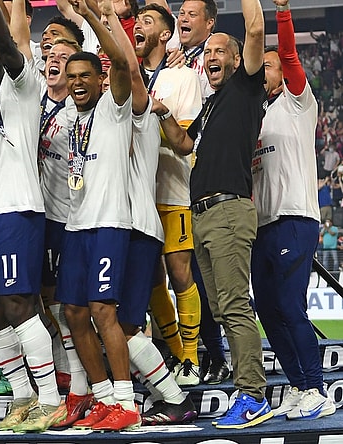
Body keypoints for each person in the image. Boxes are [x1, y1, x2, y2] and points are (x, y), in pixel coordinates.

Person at [152, 0, 272, 429]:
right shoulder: (212, 102)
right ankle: (247, 387)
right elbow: (185, 145)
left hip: (227, 210)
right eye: (208, 54)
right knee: (221, 310)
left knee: (235, 308)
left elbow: (255, 29)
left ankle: (253, 395)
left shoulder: (244, 88)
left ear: (239, 60)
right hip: (201, 214)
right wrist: (164, 114)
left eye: (220, 50)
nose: (212, 57)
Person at [0, 0, 66, 433]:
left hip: (18, 212)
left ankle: (50, 399)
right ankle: (22, 395)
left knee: (20, 305)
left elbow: (9, 46)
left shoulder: (22, 86)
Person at [55, 0, 140, 432]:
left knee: (102, 311)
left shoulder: (114, 106)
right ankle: (102, 396)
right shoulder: (71, 117)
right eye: (71, 78)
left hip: (108, 224)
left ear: (99, 79)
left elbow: (124, 64)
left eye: (84, 76)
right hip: (76, 225)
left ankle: (126, 401)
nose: (76, 84)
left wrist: (91, 17)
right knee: (71, 311)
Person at [252, 0, 336, 421]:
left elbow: (287, 54)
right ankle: (301, 386)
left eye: (267, 66)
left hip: (295, 219)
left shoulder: (298, 103)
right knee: (268, 311)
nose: (263, 71)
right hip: (263, 226)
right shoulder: (257, 117)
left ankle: (318, 388)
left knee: (289, 305)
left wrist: (282, 12)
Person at [133, 2, 204, 388]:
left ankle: (192, 358)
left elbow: (185, 141)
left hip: (173, 189)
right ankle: (176, 353)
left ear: (165, 34)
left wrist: (153, 115)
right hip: (136, 194)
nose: (138, 26)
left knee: (179, 273)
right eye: (137, 21)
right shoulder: (125, 77)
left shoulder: (183, 77)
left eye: (148, 21)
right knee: (151, 280)